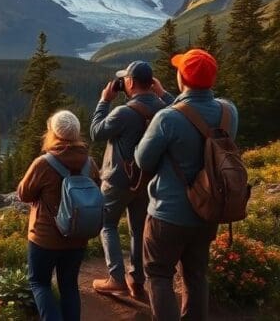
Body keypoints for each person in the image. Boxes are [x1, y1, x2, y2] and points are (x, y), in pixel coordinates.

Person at [135, 49, 238, 321]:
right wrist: (170, 99)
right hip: (208, 211)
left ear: (182, 77)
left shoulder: (167, 118)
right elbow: (199, 120)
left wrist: (167, 104)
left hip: (168, 214)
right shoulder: (229, 112)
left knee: (158, 275)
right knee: (196, 276)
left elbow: (143, 160)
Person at [90, 61, 175, 301]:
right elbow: (182, 107)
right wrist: (163, 93)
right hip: (145, 181)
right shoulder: (164, 109)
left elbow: (96, 132)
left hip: (117, 180)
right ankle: (137, 280)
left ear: (129, 82)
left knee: (107, 225)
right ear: (151, 83)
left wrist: (104, 100)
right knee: (138, 229)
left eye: (124, 80)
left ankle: (116, 278)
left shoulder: (123, 112)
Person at [17, 110, 100, 321]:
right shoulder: (89, 164)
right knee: (69, 286)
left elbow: (23, 194)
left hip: (45, 237)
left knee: (40, 283)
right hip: (77, 236)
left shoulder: (44, 163)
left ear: (53, 133)